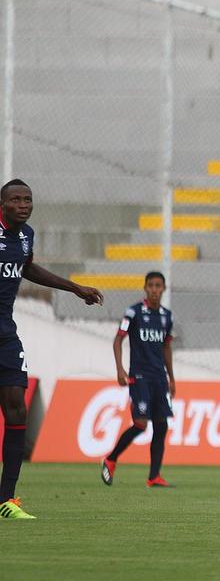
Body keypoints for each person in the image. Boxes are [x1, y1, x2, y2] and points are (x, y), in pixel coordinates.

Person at [0, 179, 103, 519]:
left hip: (5, 335)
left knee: (17, 408)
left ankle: (6, 499)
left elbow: (27, 268)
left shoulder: (26, 235)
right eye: (16, 200)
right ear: (3, 204)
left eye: (28, 199)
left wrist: (73, 287)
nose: (24, 205)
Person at [101, 271, 175, 488]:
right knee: (141, 423)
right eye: (151, 285)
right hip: (139, 377)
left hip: (159, 378)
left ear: (163, 289)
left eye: (158, 286)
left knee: (161, 426)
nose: (154, 289)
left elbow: (166, 346)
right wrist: (120, 369)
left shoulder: (166, 316)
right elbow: (118, 340)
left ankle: (154, 476)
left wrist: (172, 378)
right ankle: (111, 458)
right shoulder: (133, 313)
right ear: (145, 288)